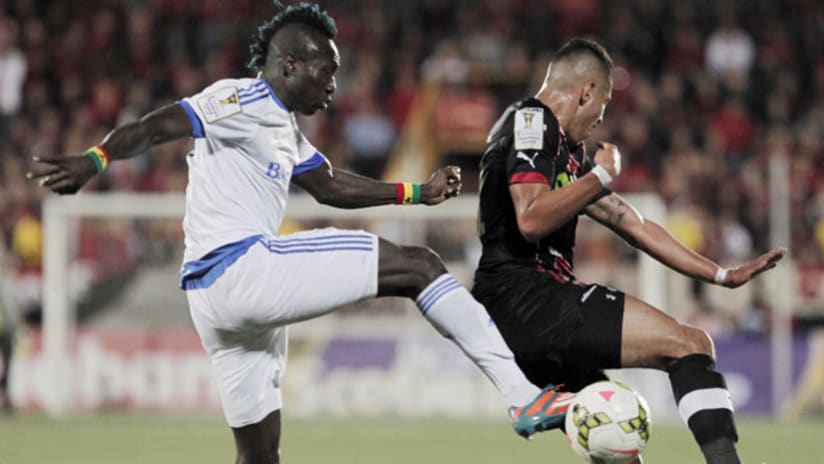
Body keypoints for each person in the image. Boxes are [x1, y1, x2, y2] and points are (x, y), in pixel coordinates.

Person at [27, 4, 565, 463]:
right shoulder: (240, 100)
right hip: (241, 270)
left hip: (217, 305)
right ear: (289, 64)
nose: (334, 85)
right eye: (326, 71)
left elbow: (329, 186)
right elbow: (157, 125)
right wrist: (96, 159)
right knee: (420, 266)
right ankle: (521, 395)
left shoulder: (282, 126)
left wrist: (416, 194)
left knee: (259, 454)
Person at [472, 37, 786, 464]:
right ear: (586, 91)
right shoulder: (533, 121)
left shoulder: (562, 148)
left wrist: (720, 275)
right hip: (529, 298)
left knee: (613, 441)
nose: (598, 121)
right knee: (690, 344)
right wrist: (600, 175)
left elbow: (630, 223)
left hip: (518, 311)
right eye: (601, 107)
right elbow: (530, 219)